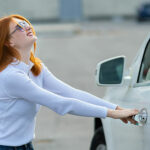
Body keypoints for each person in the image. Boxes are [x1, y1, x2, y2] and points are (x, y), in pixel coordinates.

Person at [0, 14, 139, 150]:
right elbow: (61, 104)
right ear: (8, 42)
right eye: (19, 27)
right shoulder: (12, 76)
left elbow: (71, 93)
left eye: (25, 23)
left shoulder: (35, 67)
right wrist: (111, 114)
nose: (26, 27)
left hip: (26, 145)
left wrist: (116, 108)